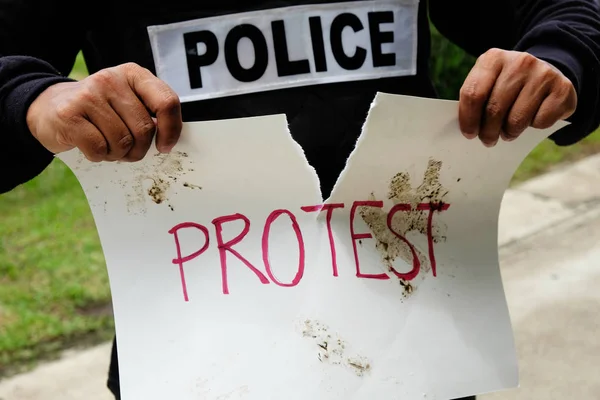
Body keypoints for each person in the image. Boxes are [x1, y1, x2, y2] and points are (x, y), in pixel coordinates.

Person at [1, 1, 599, 399]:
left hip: (410, 354)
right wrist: (32, 97)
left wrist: (559, 58)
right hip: (198, 365)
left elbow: (568, 11)